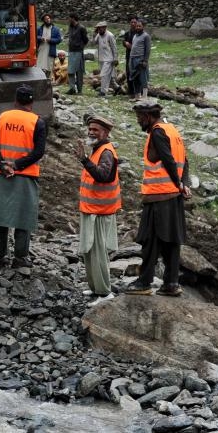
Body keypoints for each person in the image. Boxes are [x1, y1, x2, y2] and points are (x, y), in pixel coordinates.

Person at [125, 99, 191, 297]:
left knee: (150, 239)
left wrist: (178, 183)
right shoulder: (172, 130)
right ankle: (171, 283)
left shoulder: (157, 132)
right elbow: (184, 161)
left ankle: (144, 282)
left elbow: (168, 160)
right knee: (172, 240)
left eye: (139, 117)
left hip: (158, 196)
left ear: (148, 116)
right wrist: (183, 184)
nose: (138, 121)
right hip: (172, 196)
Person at [0, 84, 47, 269]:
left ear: (15, 100)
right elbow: (38, 152)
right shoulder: (37, 122)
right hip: (26, 177)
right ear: (32, 102)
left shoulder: (2, 118)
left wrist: (2, 165)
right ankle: (20, 258)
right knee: (23, 220)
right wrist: (18, 165)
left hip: (1, 176)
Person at [73, 115, 121, 305]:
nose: (91, 132)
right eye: (90, 129)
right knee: (90, 252)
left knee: (98, 253)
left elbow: (103, 176)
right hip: (92, 209)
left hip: (101, 212)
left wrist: (84, 160)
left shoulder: (106, 152)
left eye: (96, 130)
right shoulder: (97, 150)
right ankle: (95, 288)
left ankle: (104, 292)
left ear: (106, 133)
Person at [90, 21, 119, 97]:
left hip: (109, 59)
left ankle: (103, 92)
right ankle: (117, 88)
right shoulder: (98, 35)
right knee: (109, 76)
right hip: (101, 58)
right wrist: (94, 35)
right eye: (98, 28)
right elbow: (93, 43)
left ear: (105, 27)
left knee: (104, 75)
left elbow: (114, 48)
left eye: (100, 28)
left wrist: (115, 58)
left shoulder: (110, 35)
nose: (99, 30)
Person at [129, 18, 152, 99]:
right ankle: (137, 96)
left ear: (143, 27)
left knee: (143, 78)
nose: (138, 27)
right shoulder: (135, 35)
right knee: (135, 78)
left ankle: (145, 96)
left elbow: (148, 49)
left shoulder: (146, 36)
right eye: (137, 26)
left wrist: (145, 60)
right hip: (132, 59)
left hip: (140, 59)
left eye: (140, 26)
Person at [66, 14, 89, 95]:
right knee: (70, 71)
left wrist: (80, 46)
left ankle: (79, 90)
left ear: (73, 18)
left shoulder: (82, 28)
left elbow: (86, 40)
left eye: (69, 18)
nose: (68, 20)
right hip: (71, 51)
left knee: (79, 72)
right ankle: (72, 88)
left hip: (78, 52)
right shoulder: (70, 27)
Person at [121, 17, 138, 97]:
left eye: (135, 22)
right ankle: (130, 91)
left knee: (136, 74)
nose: (133, 24)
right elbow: (123, 41)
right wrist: (125, 43)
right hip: (129, 56)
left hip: (137, 57)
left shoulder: (139, 33)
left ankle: (137, 92)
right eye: (132, 22)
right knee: (128, 73)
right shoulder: (128, 33)